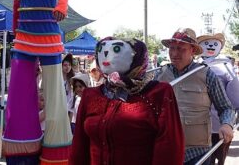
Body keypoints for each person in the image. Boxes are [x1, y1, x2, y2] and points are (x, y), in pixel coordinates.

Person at [3, 0, 72, 164]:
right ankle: (21, 151)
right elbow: (17, 2)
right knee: (18, 95)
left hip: (49, 38)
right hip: (23, 38)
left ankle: (57, 155)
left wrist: (61, 7)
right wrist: (14, 31)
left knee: (54, 96)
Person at [69, 37, 185, 165]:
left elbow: (169, 148)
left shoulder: (158, 93)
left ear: (138, 57)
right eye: (102, 50)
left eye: (116, 49)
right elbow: (79, 145)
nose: (107, 55)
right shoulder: (90, 95)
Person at [154, 28, 235, 165]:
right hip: (166, 149)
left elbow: (226, 107)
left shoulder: (207, 75)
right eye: (172, 48)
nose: (174, 53)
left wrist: (227, 124)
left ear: (192, 50)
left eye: (181, 49)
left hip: (198, 153)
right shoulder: (159, 75)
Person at [197, 33, 239, 165]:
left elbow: (234, 95)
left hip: (220, 122)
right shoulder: (193, 65)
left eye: (215, 44)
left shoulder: (225, 65)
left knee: (220, 157)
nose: (210, 46)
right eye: (207, 43)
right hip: (197, 124)